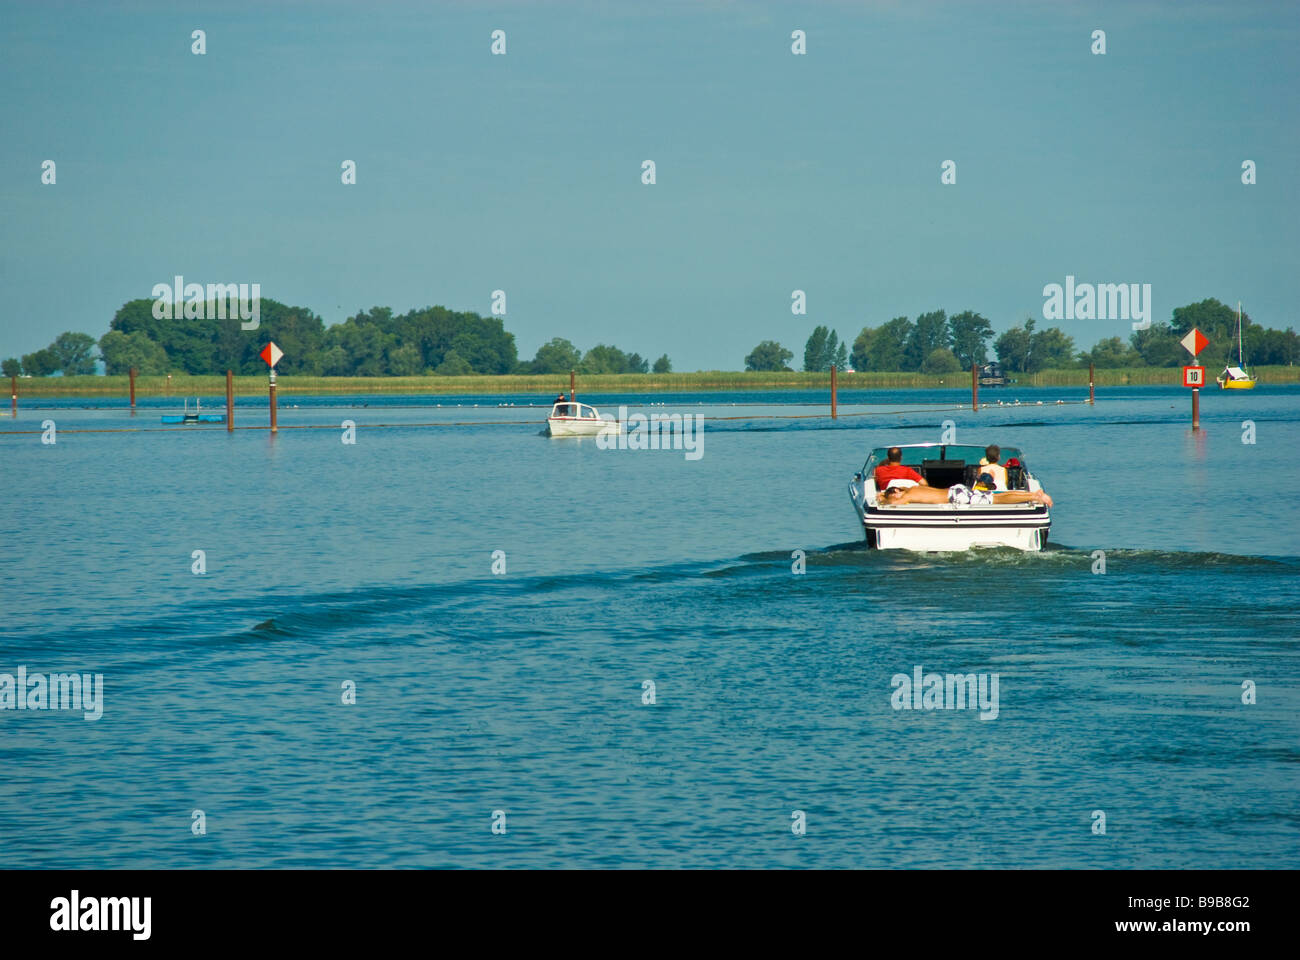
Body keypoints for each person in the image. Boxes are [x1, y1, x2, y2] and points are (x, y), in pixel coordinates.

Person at [880, 482, 1052, 508]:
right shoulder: (914, 488)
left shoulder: (907, 495)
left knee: (996, 499)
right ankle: (1030, 494)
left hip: (955, 497)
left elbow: (897, 504)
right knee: (994, 495)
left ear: (896, 491)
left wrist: (883, 500)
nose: (894, 499)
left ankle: (1034, 497)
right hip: (956, 490)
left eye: (892, 496)